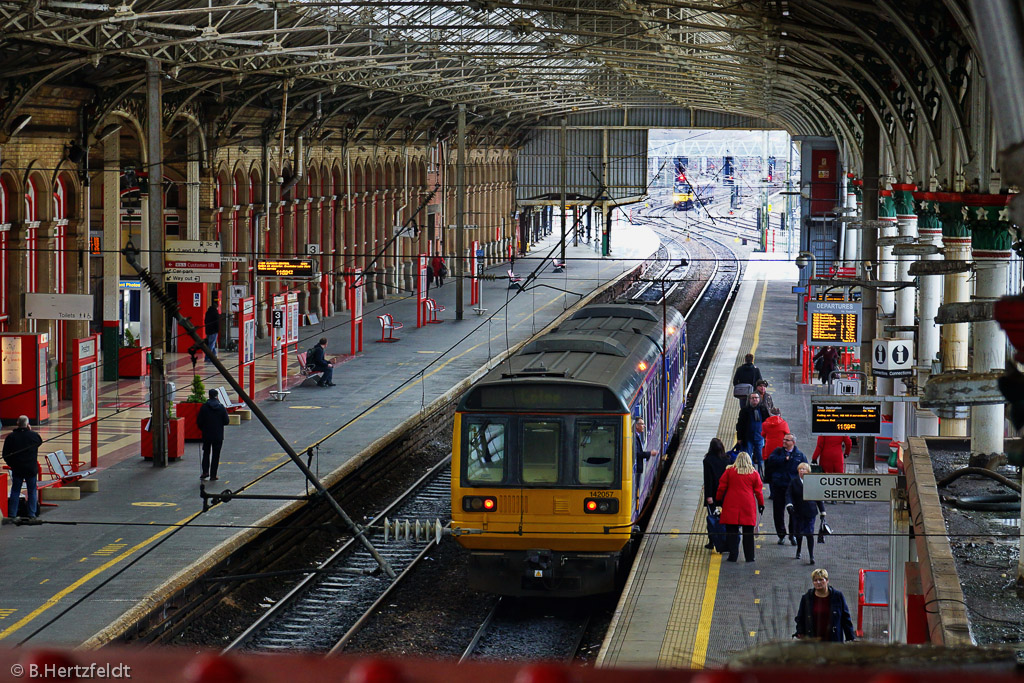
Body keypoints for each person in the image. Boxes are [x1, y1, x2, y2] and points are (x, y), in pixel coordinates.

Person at [715, 451, 764, 562]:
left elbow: (721, 487)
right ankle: (749, 556)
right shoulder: (754, 473)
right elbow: (758, 491)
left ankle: (733, 555)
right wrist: (761, 504)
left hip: (731, 503)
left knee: (732, 531)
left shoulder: (730, 471)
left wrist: (718, 500)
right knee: (748, 532)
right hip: (748, 504)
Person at [765, 433, 807, 545]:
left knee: (793, 512)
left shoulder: (800, 455)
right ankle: (781, 534)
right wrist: (784, 459)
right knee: (778, 513)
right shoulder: (778, 452)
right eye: (784, 440)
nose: (784, 442)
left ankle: (792, 535)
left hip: (793, 489)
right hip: (779, 486)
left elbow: (806, 469)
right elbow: (770, 461)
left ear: (793, 442)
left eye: (787, 440)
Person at [794, 568, 856, 642]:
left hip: (833, 640)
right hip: (813, 640)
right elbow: (800, 618)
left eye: (821, 580)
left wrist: (850, 638)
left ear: (827, 581)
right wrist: (800, 632)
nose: (818, 582)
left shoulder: (838, 596)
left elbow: (845, 618)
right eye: (815, 580)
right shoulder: (806, 598)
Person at [3, 416, 42, 520]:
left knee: (15, 490)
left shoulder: (11, 437)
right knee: (32, 490)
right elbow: (39, 441)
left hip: (17, 468)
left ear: (17, 423)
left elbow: (5, 454)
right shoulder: (33, 436)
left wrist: (12, 464)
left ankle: (12, 514)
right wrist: (30, 431)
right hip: (31, 468)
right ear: (28, 424)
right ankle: (32, 514)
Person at [787, 463, 825, 563]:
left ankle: (811, 556)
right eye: (800, 469)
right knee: (799, 534)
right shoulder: (794, 482)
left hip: (810, 512)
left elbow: (818, 497)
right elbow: (789, 494)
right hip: (798, 512)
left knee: (809, 534)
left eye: (803, 469)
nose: (801, 471)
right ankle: (798, 550)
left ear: (808, 471)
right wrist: (789, 504)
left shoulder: (813, 483)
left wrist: (822, 511)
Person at [702, 438, 729, 550]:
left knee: (712, 518)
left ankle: (712, 541)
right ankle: (726, 540)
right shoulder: (727, 459)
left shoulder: (707, 460)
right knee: (727, 518)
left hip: (712, 494)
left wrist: (708, 496)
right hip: (725, 493)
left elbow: (708, 480)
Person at [197, 389, 230, 481]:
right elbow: (226, 421)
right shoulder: (221, 407)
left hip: (207, 434)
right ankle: (213, 475)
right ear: (217, 396)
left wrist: (203, 429)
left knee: (206, 453)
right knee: (216, 455)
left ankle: (205, 472)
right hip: (218, 435)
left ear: (209, 396)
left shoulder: (204, 407)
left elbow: (199, 422)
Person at [736, 390, 768, 475]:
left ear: (759, 399)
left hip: (760, 437)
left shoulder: (763, 409)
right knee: (747, 456)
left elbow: (767, 421)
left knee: (760, 457)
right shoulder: (745, 410)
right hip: (748, 437)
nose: (755, 400)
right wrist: (739, 437)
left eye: (756, 398)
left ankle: (761, 473)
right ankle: (749, 473)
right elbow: (740, 424)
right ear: (749, 400)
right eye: (752, 398)